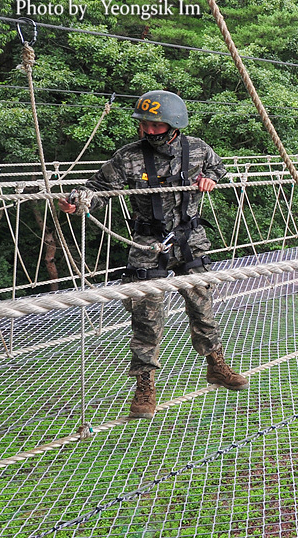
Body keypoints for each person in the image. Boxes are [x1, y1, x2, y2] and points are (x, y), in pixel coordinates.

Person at [59, 90, 247, 419]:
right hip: (148, 243)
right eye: (144, 125)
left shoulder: (198, 149)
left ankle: (216, 365)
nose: (148, 131)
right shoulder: (128, 156)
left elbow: (219, 169)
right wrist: (78, 200)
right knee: (146, 319)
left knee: (201, 307)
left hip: (189, 239)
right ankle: (145, 387)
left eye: (155, 126)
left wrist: (209, 180)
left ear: (174, 126)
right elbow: (100, 187)